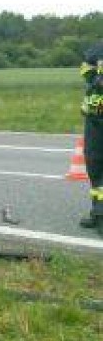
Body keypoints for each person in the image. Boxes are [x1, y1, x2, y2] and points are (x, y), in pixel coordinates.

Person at [79, 43, 103, 233]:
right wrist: (95, 77)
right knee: (94, 165)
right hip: (94, 121)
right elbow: (85, 69)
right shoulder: (96, 49)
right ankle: (97, 212)